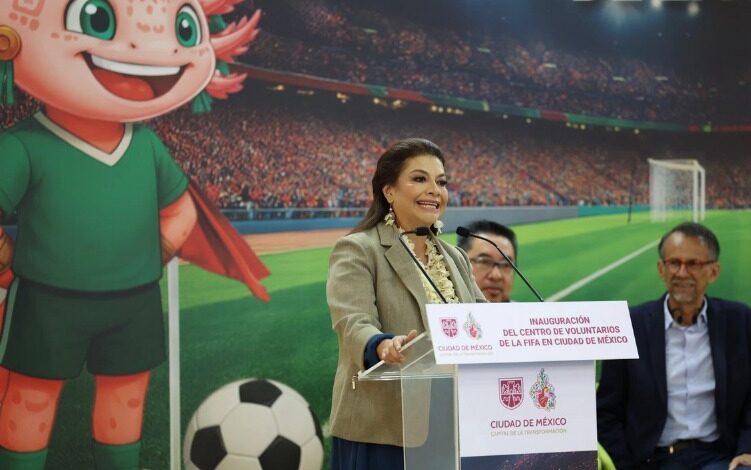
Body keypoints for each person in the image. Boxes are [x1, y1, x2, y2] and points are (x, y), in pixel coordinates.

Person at [326, 138, 485, 469]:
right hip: (382, 429)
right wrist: (381, 344)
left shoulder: (456, 257)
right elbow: (352, 322)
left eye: (441, 182)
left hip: (453, 423)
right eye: (419, 179)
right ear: (389, 191)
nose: (434, 190)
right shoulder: (358, 249)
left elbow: (485, 322)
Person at [597, 222, 751, 470]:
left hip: (720, 458)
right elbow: (606, 412)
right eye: (674, 263)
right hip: (652, 461)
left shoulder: (740, 321)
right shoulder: (630, 326)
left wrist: (747, 449)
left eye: (693, 264)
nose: (681, 272)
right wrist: (625, 465)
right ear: (661, 269)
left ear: (713, 271)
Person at [457, 219, 517, 302]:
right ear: (460, 264)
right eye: (484, 262)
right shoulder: (444, 309)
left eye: (506, 265)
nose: (496, 276)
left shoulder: (526, 310)